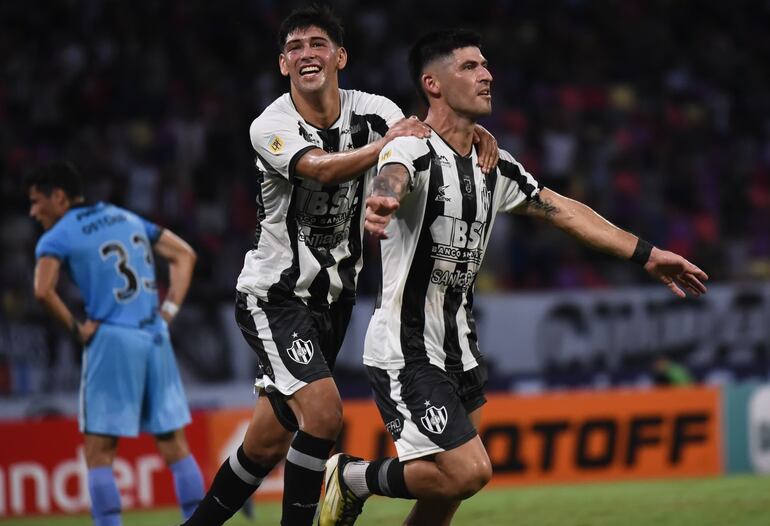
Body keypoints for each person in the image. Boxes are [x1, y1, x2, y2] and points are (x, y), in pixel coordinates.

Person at [318, 29, 709, 526]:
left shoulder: (493, 163)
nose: (487, 74)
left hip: (460, 345)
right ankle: (351, 477)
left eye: (485, 65)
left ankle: (356, 481)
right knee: (468, 472)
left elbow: (560, 209)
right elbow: (392, 173)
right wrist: (385, 196)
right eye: (469, 67)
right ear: (432, 84)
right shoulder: (411, 149)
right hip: (406, 345)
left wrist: (647, 254)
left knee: (445, 497)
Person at [181, 7, 499, 526]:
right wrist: (387, 144)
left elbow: (428, 136)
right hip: (275, 297)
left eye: (318, 44)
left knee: (264, 444)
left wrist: (473, 139)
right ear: (283, 64)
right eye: (296, 47)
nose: (308, 54)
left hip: (334, 300)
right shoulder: (272, 124)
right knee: (326, 414)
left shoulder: (372, 109)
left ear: (340, 56)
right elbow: (319, 169)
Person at [26, 161, 204, 526]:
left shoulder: (58, 235)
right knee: (175, 447)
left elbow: (43, 291)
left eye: (35, 201)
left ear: (58, 197)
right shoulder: (124, 217)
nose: (32, 212)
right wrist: (168, 310)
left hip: (111, 339)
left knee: (99, 453)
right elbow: (185, 254)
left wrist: (76, 329)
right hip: (155, 336)